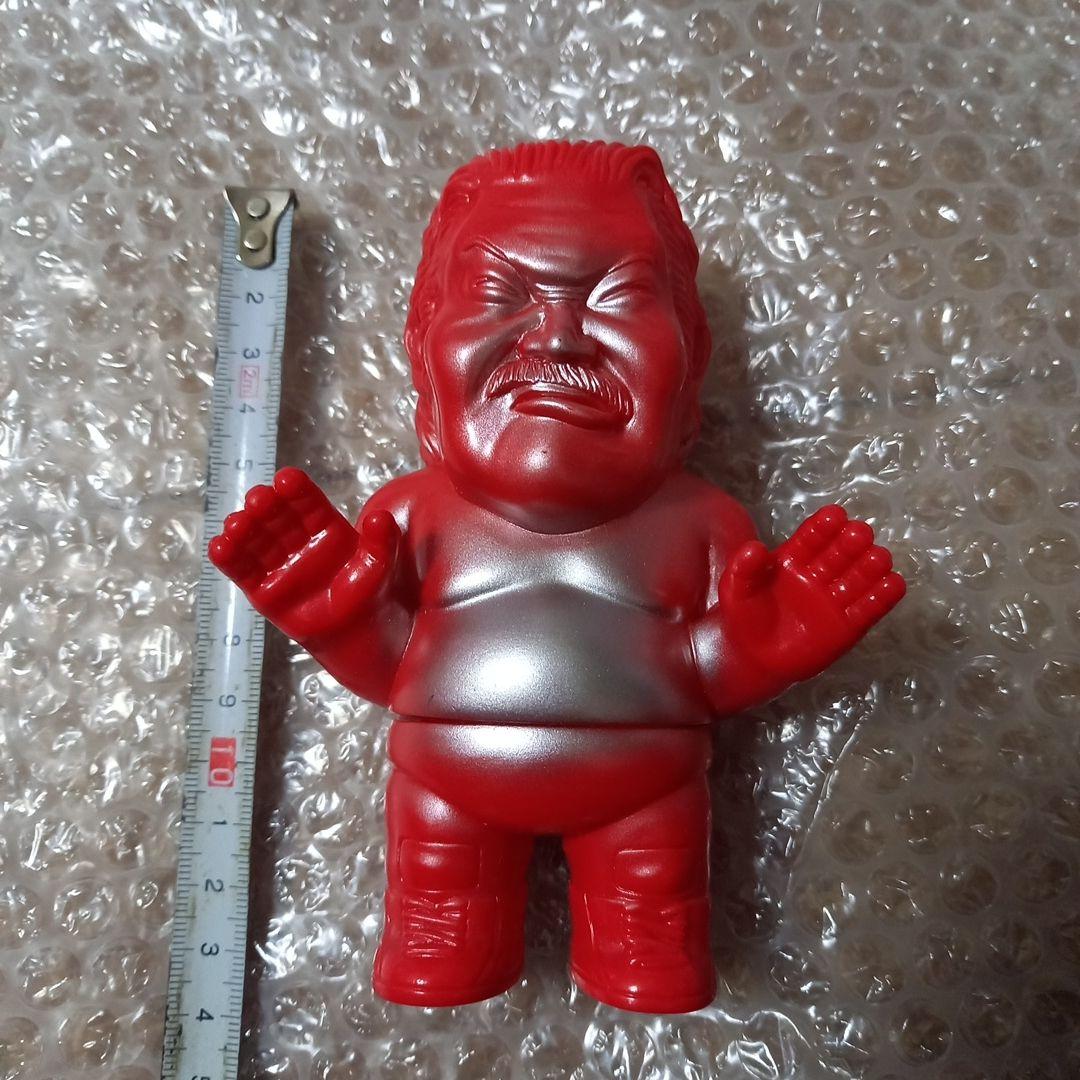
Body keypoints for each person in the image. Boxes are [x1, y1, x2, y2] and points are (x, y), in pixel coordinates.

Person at [210, 141, 905, 1013]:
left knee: (654, 925)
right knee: (442, 917)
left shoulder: (701, 524)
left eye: (618, 296)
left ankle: (643, 956)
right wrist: (336, 617)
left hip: (646, 794)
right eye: (499, 294)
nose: (558, 334)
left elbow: (707, 670)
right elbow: (398, 666)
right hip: (447, 793)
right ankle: (450, 945)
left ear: (689, 352)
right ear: (425, 342)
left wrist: (776, 639)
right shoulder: (412, 516)